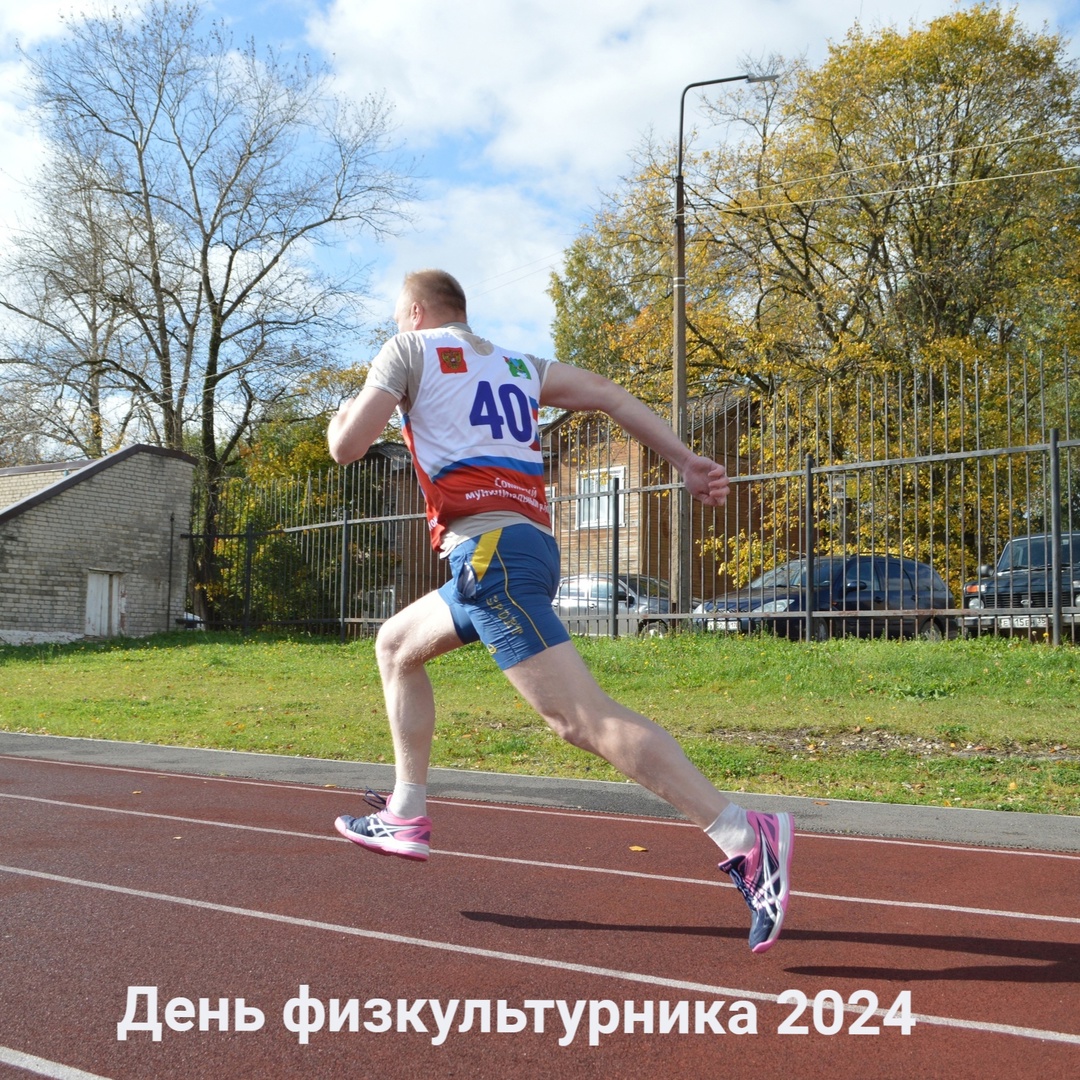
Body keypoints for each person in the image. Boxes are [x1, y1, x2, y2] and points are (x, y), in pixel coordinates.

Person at [327, 269, 793, 954]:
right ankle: (406, 810)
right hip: (523, 549)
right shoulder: (518, 365)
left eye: (401, 317)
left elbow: (348, 447)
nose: (399, 326)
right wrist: (686, 460)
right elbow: (607, 394)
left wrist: (348, 409)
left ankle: (740, 833)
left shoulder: (408, 351)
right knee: (397, 646)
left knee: (579, 719)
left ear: (416, 312)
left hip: (490, 553)